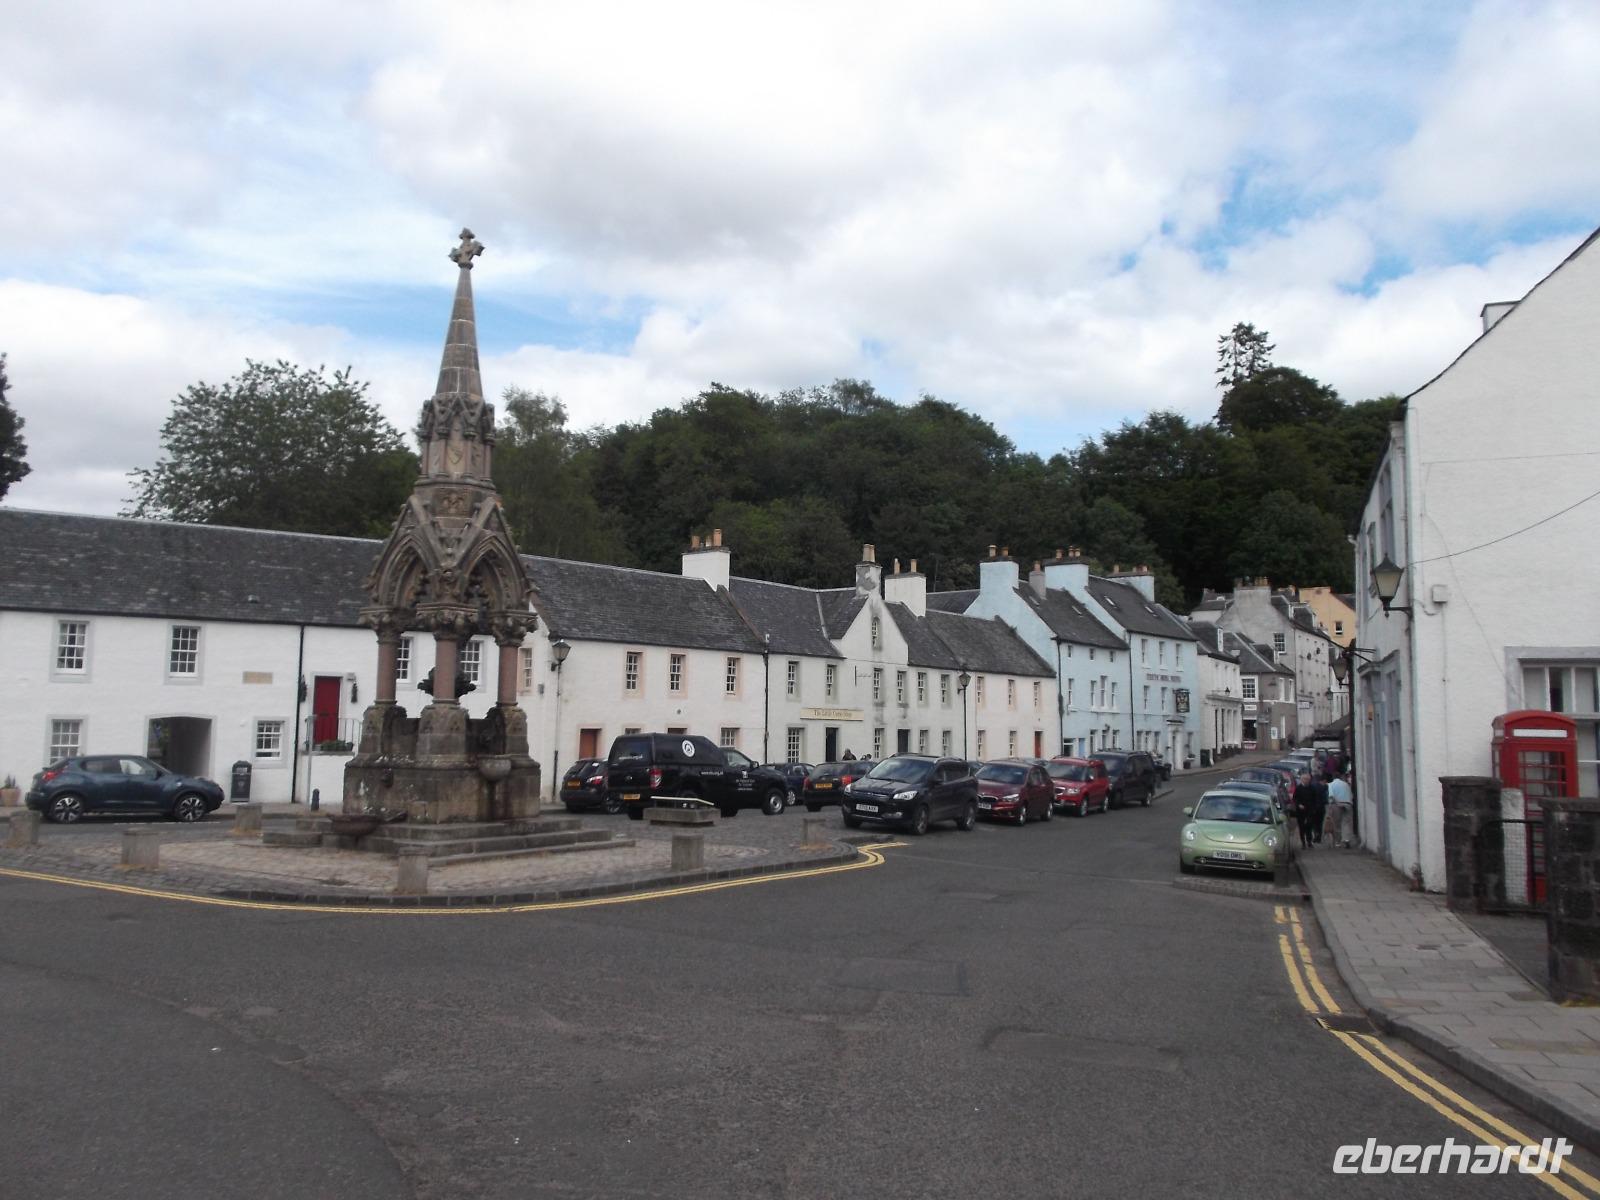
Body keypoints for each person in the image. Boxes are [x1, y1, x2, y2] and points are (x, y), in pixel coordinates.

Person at [1296, 770, 1327, 850]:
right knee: (1302, 827)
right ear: (1302, 780)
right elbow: (1295, 798)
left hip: (1310, 810)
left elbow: (1315, 798)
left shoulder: (1312, 788)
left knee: (1309, 826)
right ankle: (1303, 842)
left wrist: (1314, 808)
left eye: (1308, 780)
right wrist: (1299, 804)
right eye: (1305, 779)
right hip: (1301, 811)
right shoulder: (1298, 788)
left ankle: (1309, 841)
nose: (1307, 781)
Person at [1326, 772, 1354, 848]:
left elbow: (1331, 796)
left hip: (1337, 804)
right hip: (1347, 804)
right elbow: (1351, 795)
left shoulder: (1331, 785)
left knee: (1337, 824)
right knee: (1346, 822)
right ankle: (1346, 839)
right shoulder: (1346, 784)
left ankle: (1338, 842)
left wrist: (1333, 804)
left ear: (1333, 777)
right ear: (1341, 777)